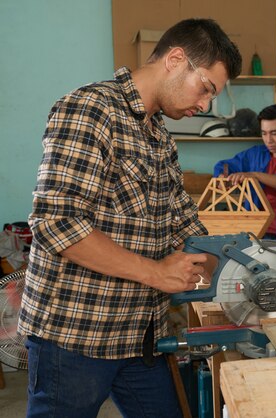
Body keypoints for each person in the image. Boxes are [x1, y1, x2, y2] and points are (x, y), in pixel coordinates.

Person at [18, 18, 241, 417]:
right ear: (176, 59)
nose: (205, 105)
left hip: (140, 336)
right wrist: (156, 273)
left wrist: (245, 272)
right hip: (74, 336)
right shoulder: (91, 109)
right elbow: (57, 224)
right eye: (206, 88)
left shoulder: (159, 136)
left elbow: (184, 224)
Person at [213, 104, 276, 241]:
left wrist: (254, 175)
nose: (268, 140)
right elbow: (224, 165)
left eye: (274, 133)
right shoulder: (255, 154)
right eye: (264, 133)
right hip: (255, 233)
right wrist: (223, 176)